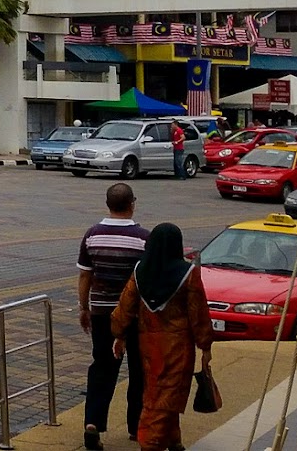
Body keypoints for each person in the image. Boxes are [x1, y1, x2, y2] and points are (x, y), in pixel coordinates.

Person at [112, 223, 214, 451]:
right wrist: (205, 346)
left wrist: (119, 335)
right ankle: (150, 444)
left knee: (156, 392)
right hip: (178, 348)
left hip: (148, 346)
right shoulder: (188, 273)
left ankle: (173, 440)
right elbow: (199, 314)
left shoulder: (140, 271)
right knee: (164, 399)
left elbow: (125, 307)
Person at [77, 184, 150, 450]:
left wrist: (84, 307)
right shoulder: (144, 238)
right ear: (133, 203)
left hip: (101, 313)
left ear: (107, 204)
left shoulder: (92, 235)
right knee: (139, 371)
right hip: (135, 315)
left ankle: (93, 423)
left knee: (102, 367)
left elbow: (85, 275)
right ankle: (136, 427)